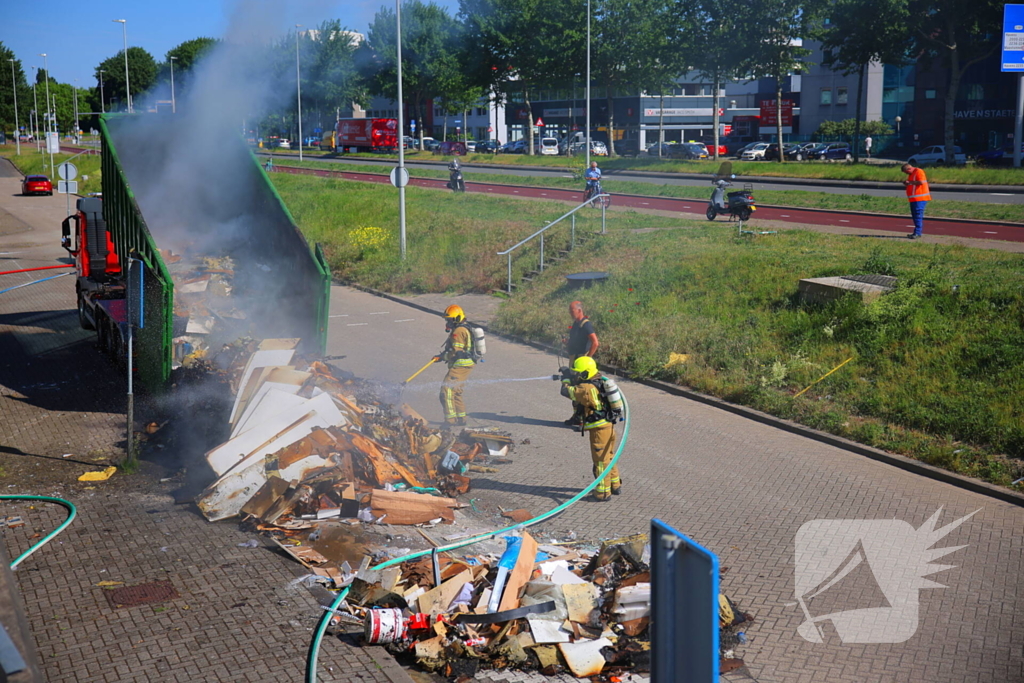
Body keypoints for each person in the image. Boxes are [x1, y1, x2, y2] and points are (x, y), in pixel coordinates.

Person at [560, 356, 621, 502]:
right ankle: (615, 484)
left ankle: (602, 493)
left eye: (577, 372)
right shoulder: (599, 381)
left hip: (599, 430)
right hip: (609, 426)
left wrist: (566, 378)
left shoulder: (586, 388)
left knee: (600, 461)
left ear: (585, 373)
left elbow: (566, 392)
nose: (576, 375)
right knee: (609, 456)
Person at [434, 304, 476, 426]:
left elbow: (455, 352)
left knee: (446, 391)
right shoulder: (464, 327)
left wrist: (442, 357)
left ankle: (450, 420)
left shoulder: (458, 331)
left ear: (457, 318)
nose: (448, 322)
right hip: (466, 364)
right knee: (456, 391)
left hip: (460, 365)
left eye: (450, 319)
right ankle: (461, 418)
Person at [563, 301, 599, 426]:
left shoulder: (586, 324)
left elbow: (595, 342)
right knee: (573, 390)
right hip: (574, 361)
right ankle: (576, 417)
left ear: (579, 310)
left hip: (581, 363)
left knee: (580, 390)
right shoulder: (576, 324)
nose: (570, 313)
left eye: (571, 310)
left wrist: (588, 359)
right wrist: (568, 342)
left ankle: (584, 419)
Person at [902, 162, 930, 239]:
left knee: (917, 215)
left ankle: (917, 233)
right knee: (915, 216)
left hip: (920, 198)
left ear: (909, 168)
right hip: (914, 199)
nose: (907, 174)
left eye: (907, 172)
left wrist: (910, 182)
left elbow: (920, 182)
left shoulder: (919, 171)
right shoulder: (912, 174)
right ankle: (916, 232)